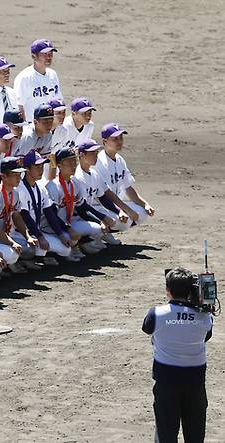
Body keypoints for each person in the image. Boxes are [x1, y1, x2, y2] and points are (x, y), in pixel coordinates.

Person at [143, 267, 213, 443]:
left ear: (168, 290)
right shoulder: (205, 318)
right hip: (195, 382)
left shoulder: (156, 313)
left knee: (165, 432)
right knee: (195, 434)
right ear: (192, 291)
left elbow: (147, 328)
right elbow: (206, 336)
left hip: (166, 382)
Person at [45, 148, 114, 260]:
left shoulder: (74, 182)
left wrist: (101, 220)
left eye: (74, 161)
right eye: (69, 162)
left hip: (67, 223)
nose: (73, 165)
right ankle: (51, 255)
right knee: (67, 246)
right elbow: (51, 216)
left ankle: (76, 245)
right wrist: (68, 230)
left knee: (98, 228)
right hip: (51, 227)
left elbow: (82, 207)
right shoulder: (53, 186)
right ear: (59, 166)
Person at [94, 123, 155, 228]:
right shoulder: (99, 162)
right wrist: (126, 210)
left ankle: (106, 232)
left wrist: (145, 204)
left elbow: (128, 188)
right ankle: (97, 235)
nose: (119, 141)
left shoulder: (119, 160)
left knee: (143, 212)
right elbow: (107, 194)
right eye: (115, 139)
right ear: (105, 141)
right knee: (125, 220)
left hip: (115, 205)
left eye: (120, 138)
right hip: (99, 207)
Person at [17, 151, 72, 265]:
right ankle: (23, 261)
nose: (41, 170)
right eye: (37, 167)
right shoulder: (20, 188)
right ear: (27, 169)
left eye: (42, 166)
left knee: (66, 249)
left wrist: (61, 234)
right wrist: (40, 237)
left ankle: (39, 257)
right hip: (21, 234)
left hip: (36, 231)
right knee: (33, 248)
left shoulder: (40, 187)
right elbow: (25, 216)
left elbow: (49, 213)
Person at [74, 139, 131, 242]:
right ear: (82, 155)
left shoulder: (93, 173)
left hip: (88, 213)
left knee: (121, 220)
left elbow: (103, 198)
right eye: (92, 153)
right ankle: (83, 242)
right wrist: (101, 219)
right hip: (77, 217)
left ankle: (98, 236)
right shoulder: (78, 177)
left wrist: (119, 211)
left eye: (96, 152)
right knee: (95, 240)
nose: (96, 155)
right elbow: (82, 208)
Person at [0, 158, 40, 273]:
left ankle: (11, 263)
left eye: (20, 174)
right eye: (15, 174)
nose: (19, 177)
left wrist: (27, 236)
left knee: (31, 248)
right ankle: (5, 266)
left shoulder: (14, 193)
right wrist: (11, 243)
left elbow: (17, 216)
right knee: (12, 253)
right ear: (4, 176)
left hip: (7, 234)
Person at [13, 38, 63, 122]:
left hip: (51, 124)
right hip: (32, 126)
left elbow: (58, 101)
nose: (49, 57)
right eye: (44, 54)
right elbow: (19, 106)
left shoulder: (53, 75)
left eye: (50, 54)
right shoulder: (24, 77)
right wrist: (24, 128)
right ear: (34, 56)